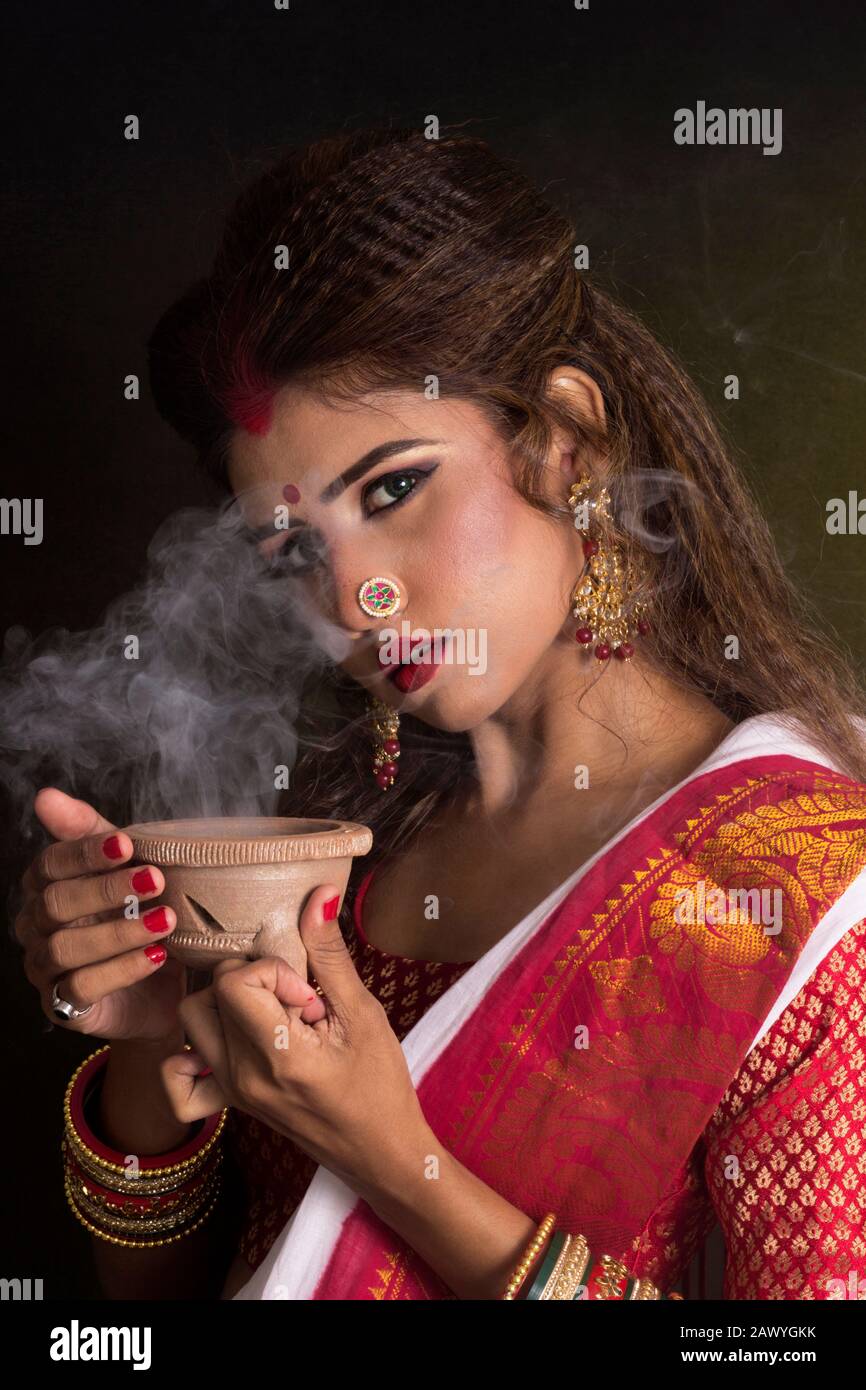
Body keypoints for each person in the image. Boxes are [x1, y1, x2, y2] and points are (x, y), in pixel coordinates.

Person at [15, 126, 866, 1302]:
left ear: (563, 438)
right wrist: (153, 1054)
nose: (355, 594)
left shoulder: (800, 893)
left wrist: (392, 1157)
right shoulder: (342, 841)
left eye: (395, 488)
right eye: (293, 548)